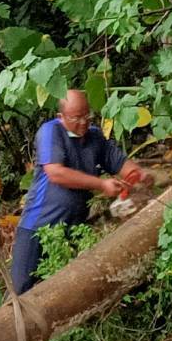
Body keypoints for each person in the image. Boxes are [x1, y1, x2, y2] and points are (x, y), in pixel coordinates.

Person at [11, 89, 153, 294]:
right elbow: (56, 173)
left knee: (64, 290)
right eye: (76, 118)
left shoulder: (95, 136)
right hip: (37, 228)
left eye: (87, 115)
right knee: (21, 289)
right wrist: (102, 185)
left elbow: (120, 163)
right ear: (61, 117)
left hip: (75, 228)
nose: (83, 122)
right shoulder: (50, 132)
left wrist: (138, 175)